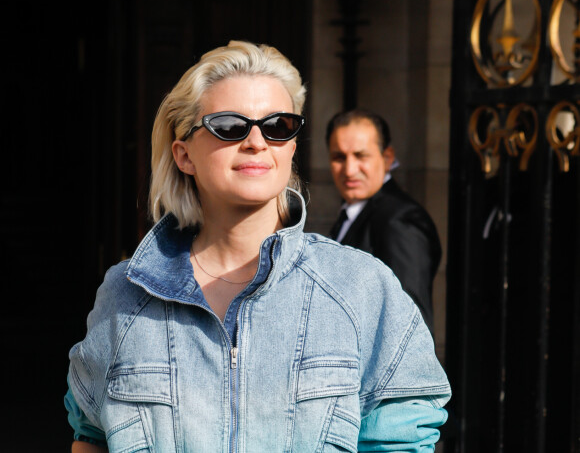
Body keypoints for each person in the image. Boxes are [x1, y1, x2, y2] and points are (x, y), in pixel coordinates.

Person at [65, 40, 451, 452]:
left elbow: (400, 438)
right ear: (184, 154)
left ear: (292, 147)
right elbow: (91, 435)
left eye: (278, 126)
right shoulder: (125, 294)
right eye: (229, 126)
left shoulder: (362, 287)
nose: (256, 141)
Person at [326, 109, 442, 335]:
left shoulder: (399, 220)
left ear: (387, 158)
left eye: (361, 156)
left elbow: (410, 323)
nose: (349, 170)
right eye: (339, 157)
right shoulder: (354, 213)